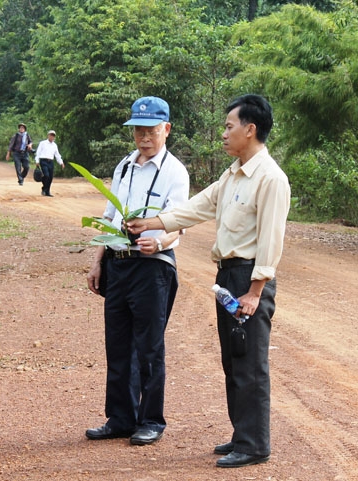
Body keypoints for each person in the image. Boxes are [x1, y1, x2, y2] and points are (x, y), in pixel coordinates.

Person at [127, 94, 291, 467]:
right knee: (234, 360)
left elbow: (270, 240)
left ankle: (254, 445)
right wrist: (150, 222)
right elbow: (195, 207)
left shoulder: (270, 179)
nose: (223, 133)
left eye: (229, 126)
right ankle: (241, 435)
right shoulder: (232, 174)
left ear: (250, 130)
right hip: (228, 276)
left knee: (250, 363)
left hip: (249, 279)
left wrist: (255, 291)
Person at [85, 96, 190, 446]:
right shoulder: (125, 166)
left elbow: (179, 223)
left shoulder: (175, 171)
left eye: (151, 130)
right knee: (117, 345)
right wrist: (98, 260)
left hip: (152, 269)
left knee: (148, 347)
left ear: (167, 130)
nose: (144, 137)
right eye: (138, 130)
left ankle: (151, 420)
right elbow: (110, 216)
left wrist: (158, 243)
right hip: (119, 264)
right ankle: (120, 418)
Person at [35, 130, 64, 196]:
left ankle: (47, 191)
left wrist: (61, 162)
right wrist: (37, 161)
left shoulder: (54, 145)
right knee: (46, 175)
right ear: (48, 135)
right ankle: (44, 188)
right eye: (51, 135)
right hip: (43, 161)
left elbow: (57, 155)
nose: (52, 137)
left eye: (53, 136)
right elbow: (38, 152)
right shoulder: (43, 143)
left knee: (50, 177)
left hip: (50, 161)